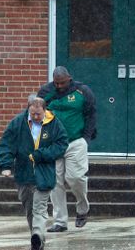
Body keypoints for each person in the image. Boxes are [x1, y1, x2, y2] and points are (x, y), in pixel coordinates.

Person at [0, 95, 68, 250]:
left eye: (39, 114)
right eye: (33, 114)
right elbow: (6, 144)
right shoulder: (17, 123)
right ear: (28, 109)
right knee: (30, 209)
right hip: (24, 173)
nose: (36, 117)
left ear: (45, 110)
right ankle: (36, 239)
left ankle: (37, 234)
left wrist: (41, 155)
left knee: (39, 207)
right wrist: (6, 165)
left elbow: (62, 144)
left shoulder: (54, 123)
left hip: (44, 173)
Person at [37, 66, 97, 232]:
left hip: (76, 141)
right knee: (55, 182)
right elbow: (36, 113)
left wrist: (86, 137)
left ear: (69, 78)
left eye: (62, 83)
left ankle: (82, 209)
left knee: (75, 177)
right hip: (53, 142)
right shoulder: (45, 92)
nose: (59, 86)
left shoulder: (82, 91)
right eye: (56, 83)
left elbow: (91, 114)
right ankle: (60, 221)